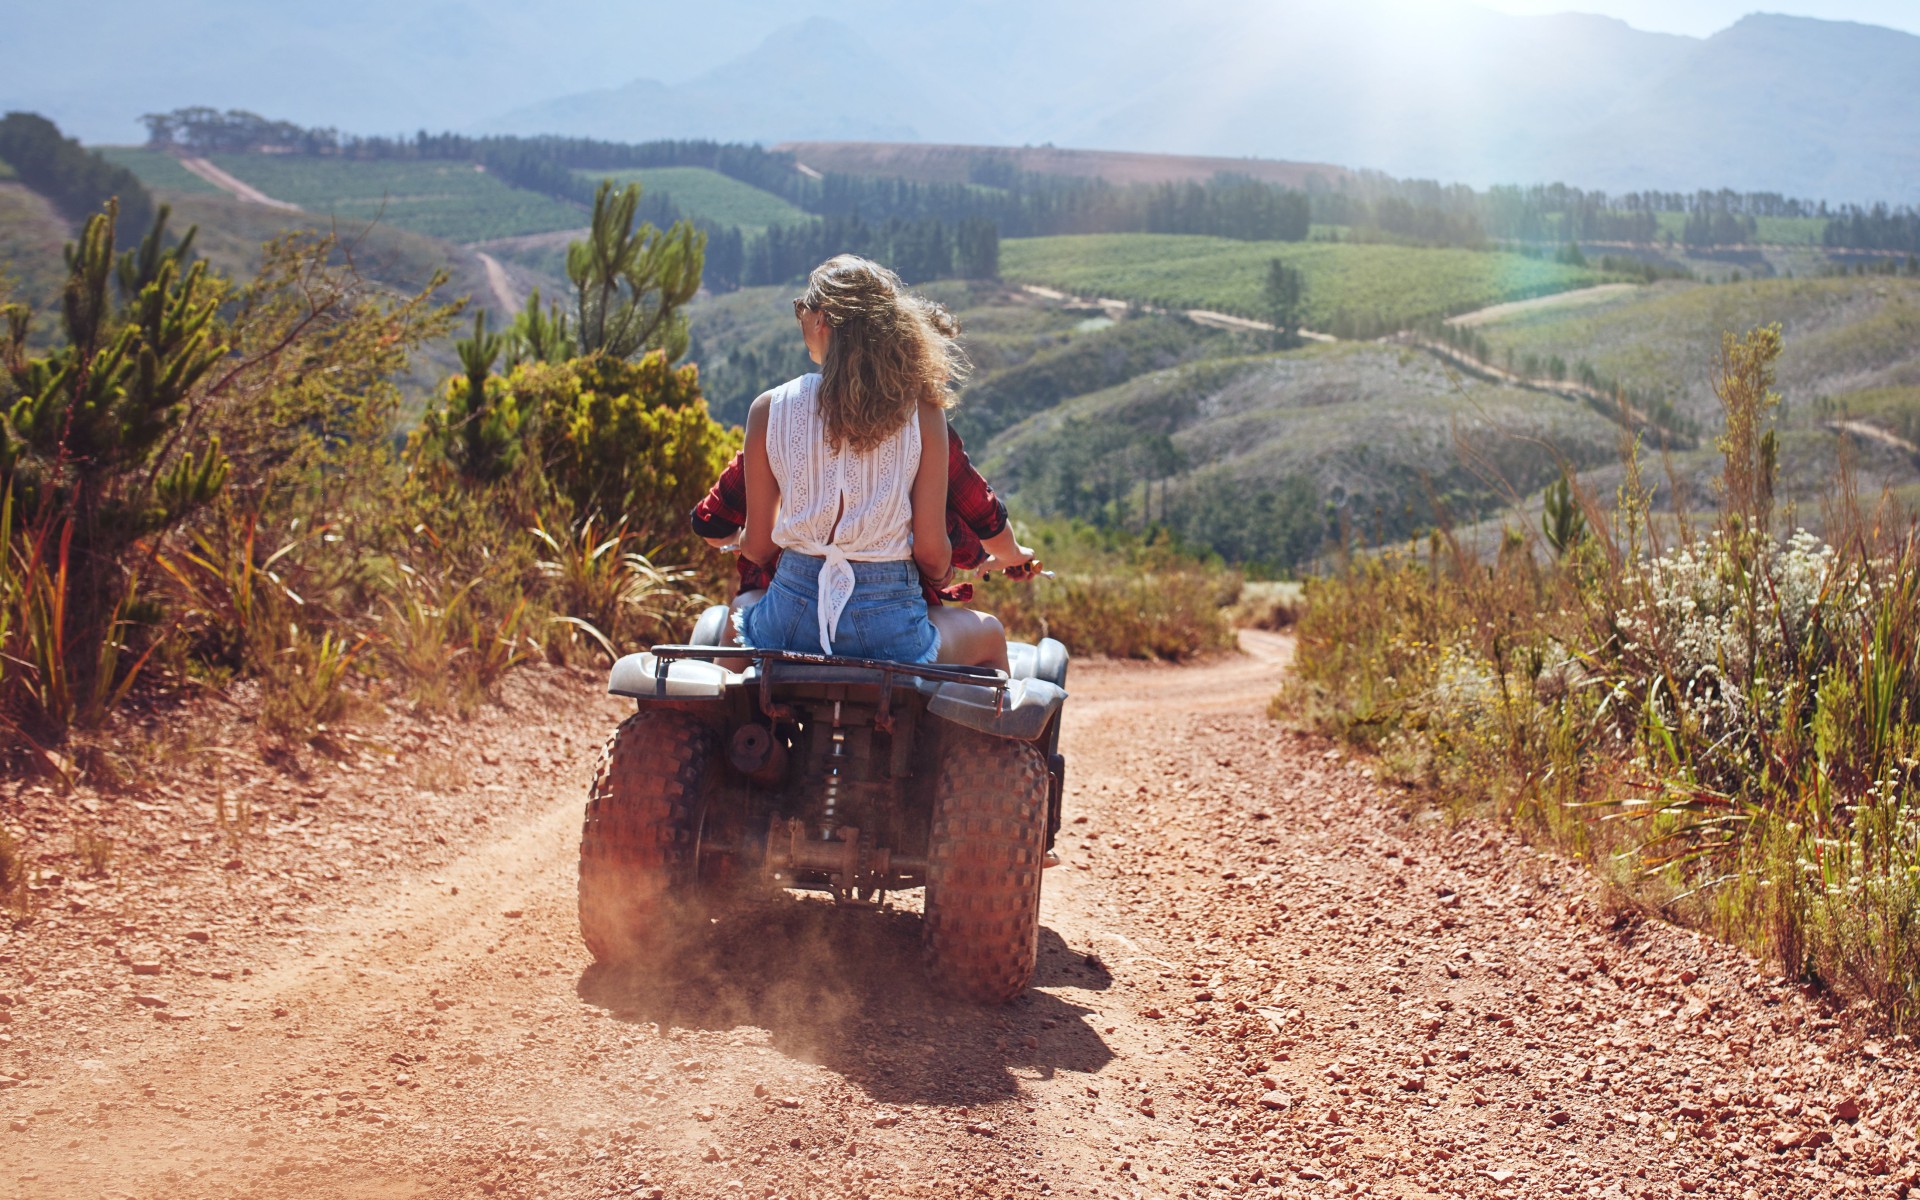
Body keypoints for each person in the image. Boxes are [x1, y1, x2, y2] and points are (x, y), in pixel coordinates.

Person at [732, 255, 1025, 672]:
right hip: (888, 630)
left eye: (802, 307)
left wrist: (751, 541)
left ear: (822, 320)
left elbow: (759, 548)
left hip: (789, 625)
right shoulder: (922, 411)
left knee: (741, 611)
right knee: (990, 634)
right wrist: (943, 573)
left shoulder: (768, 409)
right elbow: (931, 551)